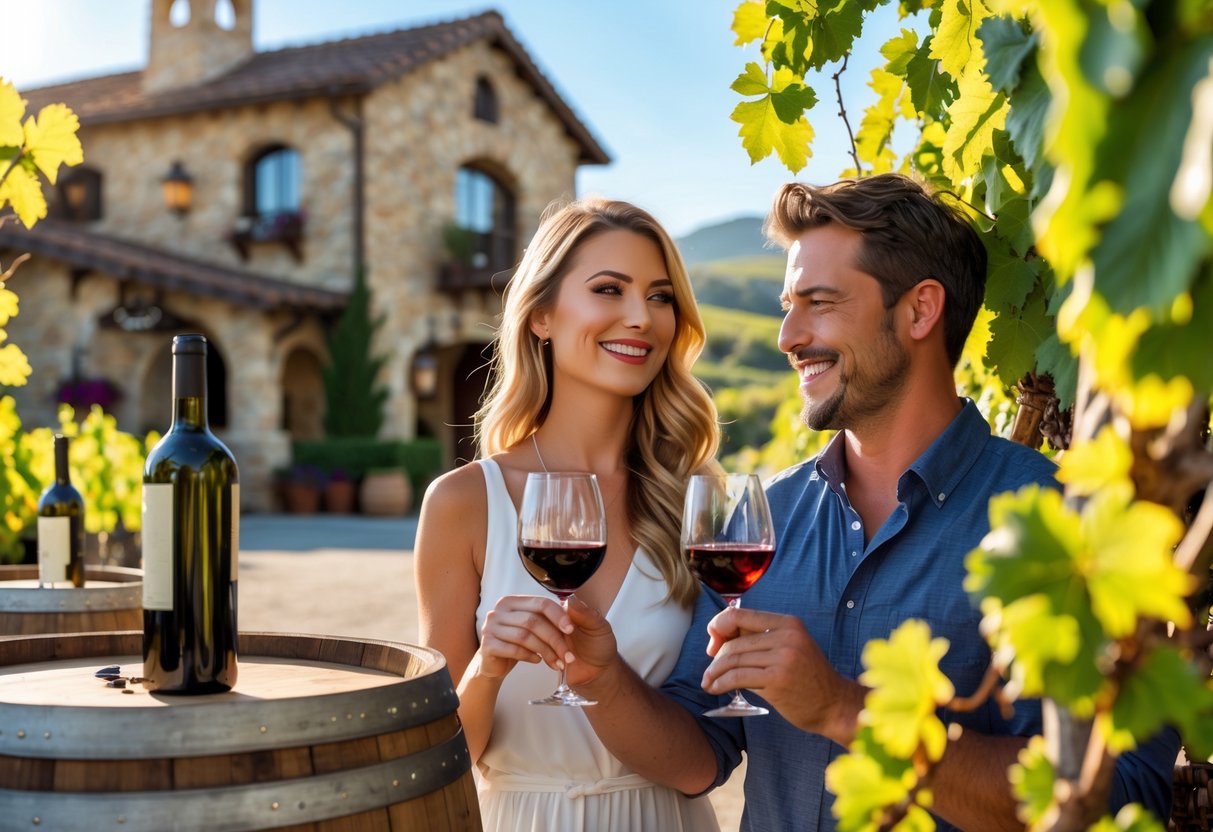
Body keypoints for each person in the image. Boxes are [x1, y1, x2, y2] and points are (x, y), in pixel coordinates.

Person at [554, 173, 1180, 831]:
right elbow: (696, 756)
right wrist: (602, 678)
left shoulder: (1065, 526)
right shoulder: (762, 520)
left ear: (918, 310)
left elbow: (1119, 796)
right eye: (786, 304)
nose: (787, 336)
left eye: (818, 302)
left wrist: (843, 709)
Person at [414, 196, 723, 831]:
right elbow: (435, 760)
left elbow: (706, 759)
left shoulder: (694, 498)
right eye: (609, 289)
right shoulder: (464, 504)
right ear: (542, 317)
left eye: (661, 297)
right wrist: (487, 667)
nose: (641, 318)